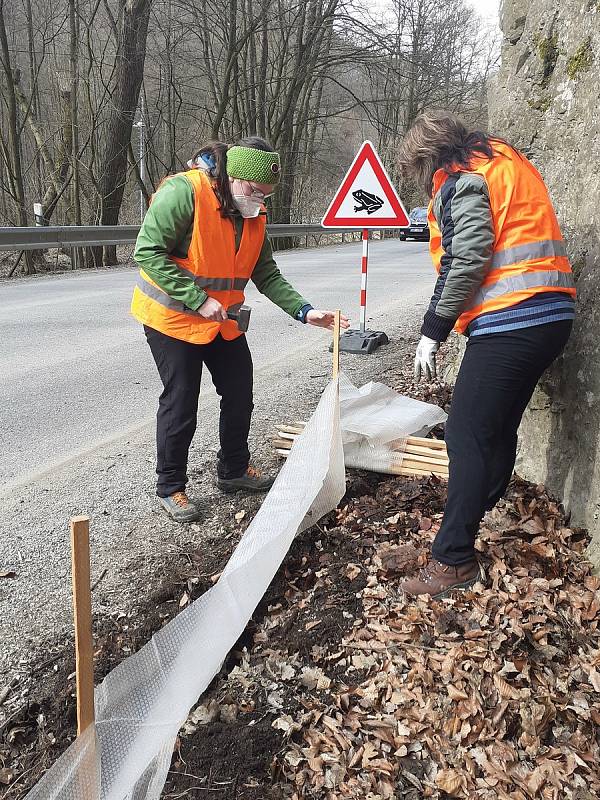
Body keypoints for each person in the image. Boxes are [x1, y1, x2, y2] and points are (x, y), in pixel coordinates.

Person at [397, 111, 576, 598]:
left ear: (429, 158)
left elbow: (468, 257)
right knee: (494, 431)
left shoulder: (462, 179)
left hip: (512, 320)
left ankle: (453, 558)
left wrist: (433, 329)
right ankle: (462, 529)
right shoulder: (504, 160)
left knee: (465, 433)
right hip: (550, 315)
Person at [131, 136, 349, 523]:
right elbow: (147, 252)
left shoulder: (255, 213)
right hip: (173, 320)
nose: (259, 200)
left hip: (223, 322)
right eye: (253, 190)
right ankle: (171, 487)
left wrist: (304, 310)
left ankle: (233, 470)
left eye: (265, 195)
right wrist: (197, 299)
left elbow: (265, 272)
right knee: (181, 401)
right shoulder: (185, 193)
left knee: (239, 392)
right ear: (232, 176)